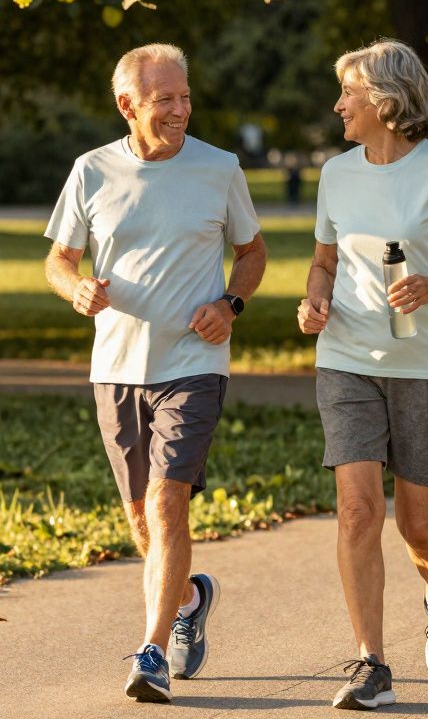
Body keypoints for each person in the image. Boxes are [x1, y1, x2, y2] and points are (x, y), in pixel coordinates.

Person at [43, 42, 267, 703]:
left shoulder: (219, 169)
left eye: (185, 96)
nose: (180, 109)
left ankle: (151, 652)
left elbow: (252, 252)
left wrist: (231, 303)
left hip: (194, 366)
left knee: (170, 505)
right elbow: (59, 260)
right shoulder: (91, 172)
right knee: (142, 522)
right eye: (165, 99)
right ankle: (192, 597)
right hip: (116, 366)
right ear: (128, 105)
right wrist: (74, 289)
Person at [296, 39, 428, 711]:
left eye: (348, 93)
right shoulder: (336, 173)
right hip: (347, 360)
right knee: (358, 510)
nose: (338, 106)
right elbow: (323, 260)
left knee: (420, 528)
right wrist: (315, 297)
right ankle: (370, 663)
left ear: (384, 100)